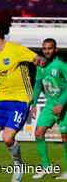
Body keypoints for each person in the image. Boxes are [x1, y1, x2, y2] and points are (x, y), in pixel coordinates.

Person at [0, 23, 46, 182]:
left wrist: (46, 64)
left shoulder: (16, 49)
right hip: (0, 100)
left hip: (20, 101)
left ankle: (18, 166)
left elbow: (37, 59)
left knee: (7, 138)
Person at [31, 38, 67, 179]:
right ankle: (46, 167)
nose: (46, 51)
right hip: (49, 105)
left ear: (55, 49)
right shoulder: (40, 66)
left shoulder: (61, 65)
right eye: (44, 48)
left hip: (64, 105)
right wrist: (33, 104)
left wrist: (62, 104)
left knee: (65, 138)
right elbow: (38, 85)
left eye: (50, 48)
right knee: (39, 133)